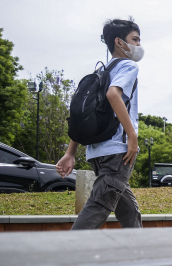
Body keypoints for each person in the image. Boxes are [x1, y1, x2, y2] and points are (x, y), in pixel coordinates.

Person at [57, 18, 143, 230]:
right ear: (119, 42)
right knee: (99, 205)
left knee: (128, 209)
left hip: (97, 153)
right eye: (135, 39)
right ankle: (65, 254)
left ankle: (140, 251)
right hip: (118, 153)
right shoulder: (127, 66)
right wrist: (132, 136)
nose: (139, 45)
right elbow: (113, 94)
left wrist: (70, 153)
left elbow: (85, 115)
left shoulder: (102, 71)